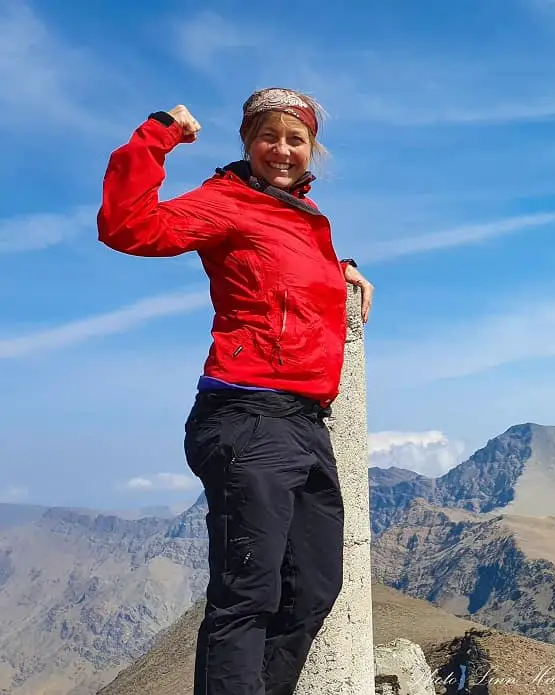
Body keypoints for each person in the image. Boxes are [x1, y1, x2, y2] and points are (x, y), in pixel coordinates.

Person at [97, 87, 373, 695]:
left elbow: (279, 275)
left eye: (294, 139)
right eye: (267, 137)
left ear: (312, 150)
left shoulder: (300, 215)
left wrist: (340, 270)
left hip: (305, 420)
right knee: (247, 595)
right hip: (248, 411)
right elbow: (127, 227)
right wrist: (158, 134)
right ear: (247, 143)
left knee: (314, 588)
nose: (281, 150)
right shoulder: (228, 201)